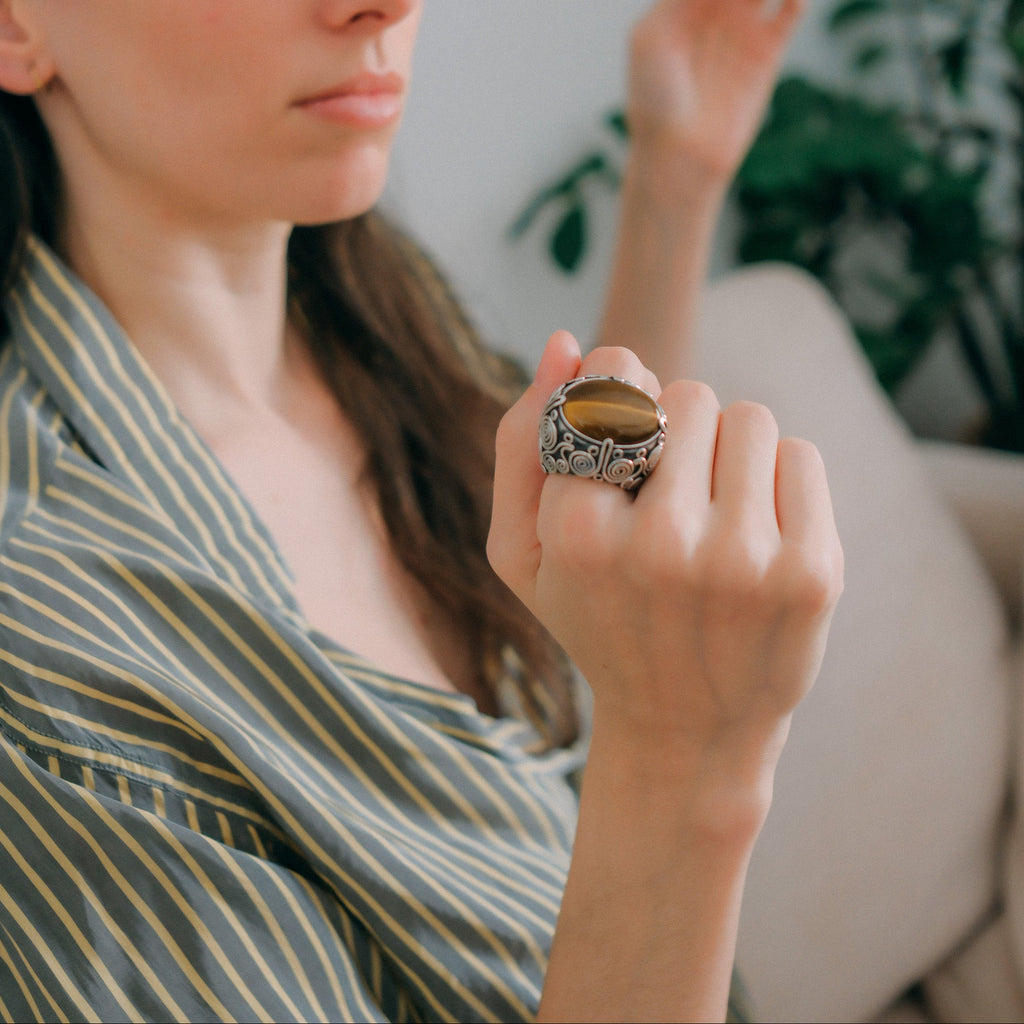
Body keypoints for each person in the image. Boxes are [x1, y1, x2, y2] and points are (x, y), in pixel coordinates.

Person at [0, 0, 841, 1020]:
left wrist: (676, 179)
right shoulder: (52, 668)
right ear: (16, 27)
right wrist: (687, 771)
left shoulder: (379, 324)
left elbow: (582, 574)